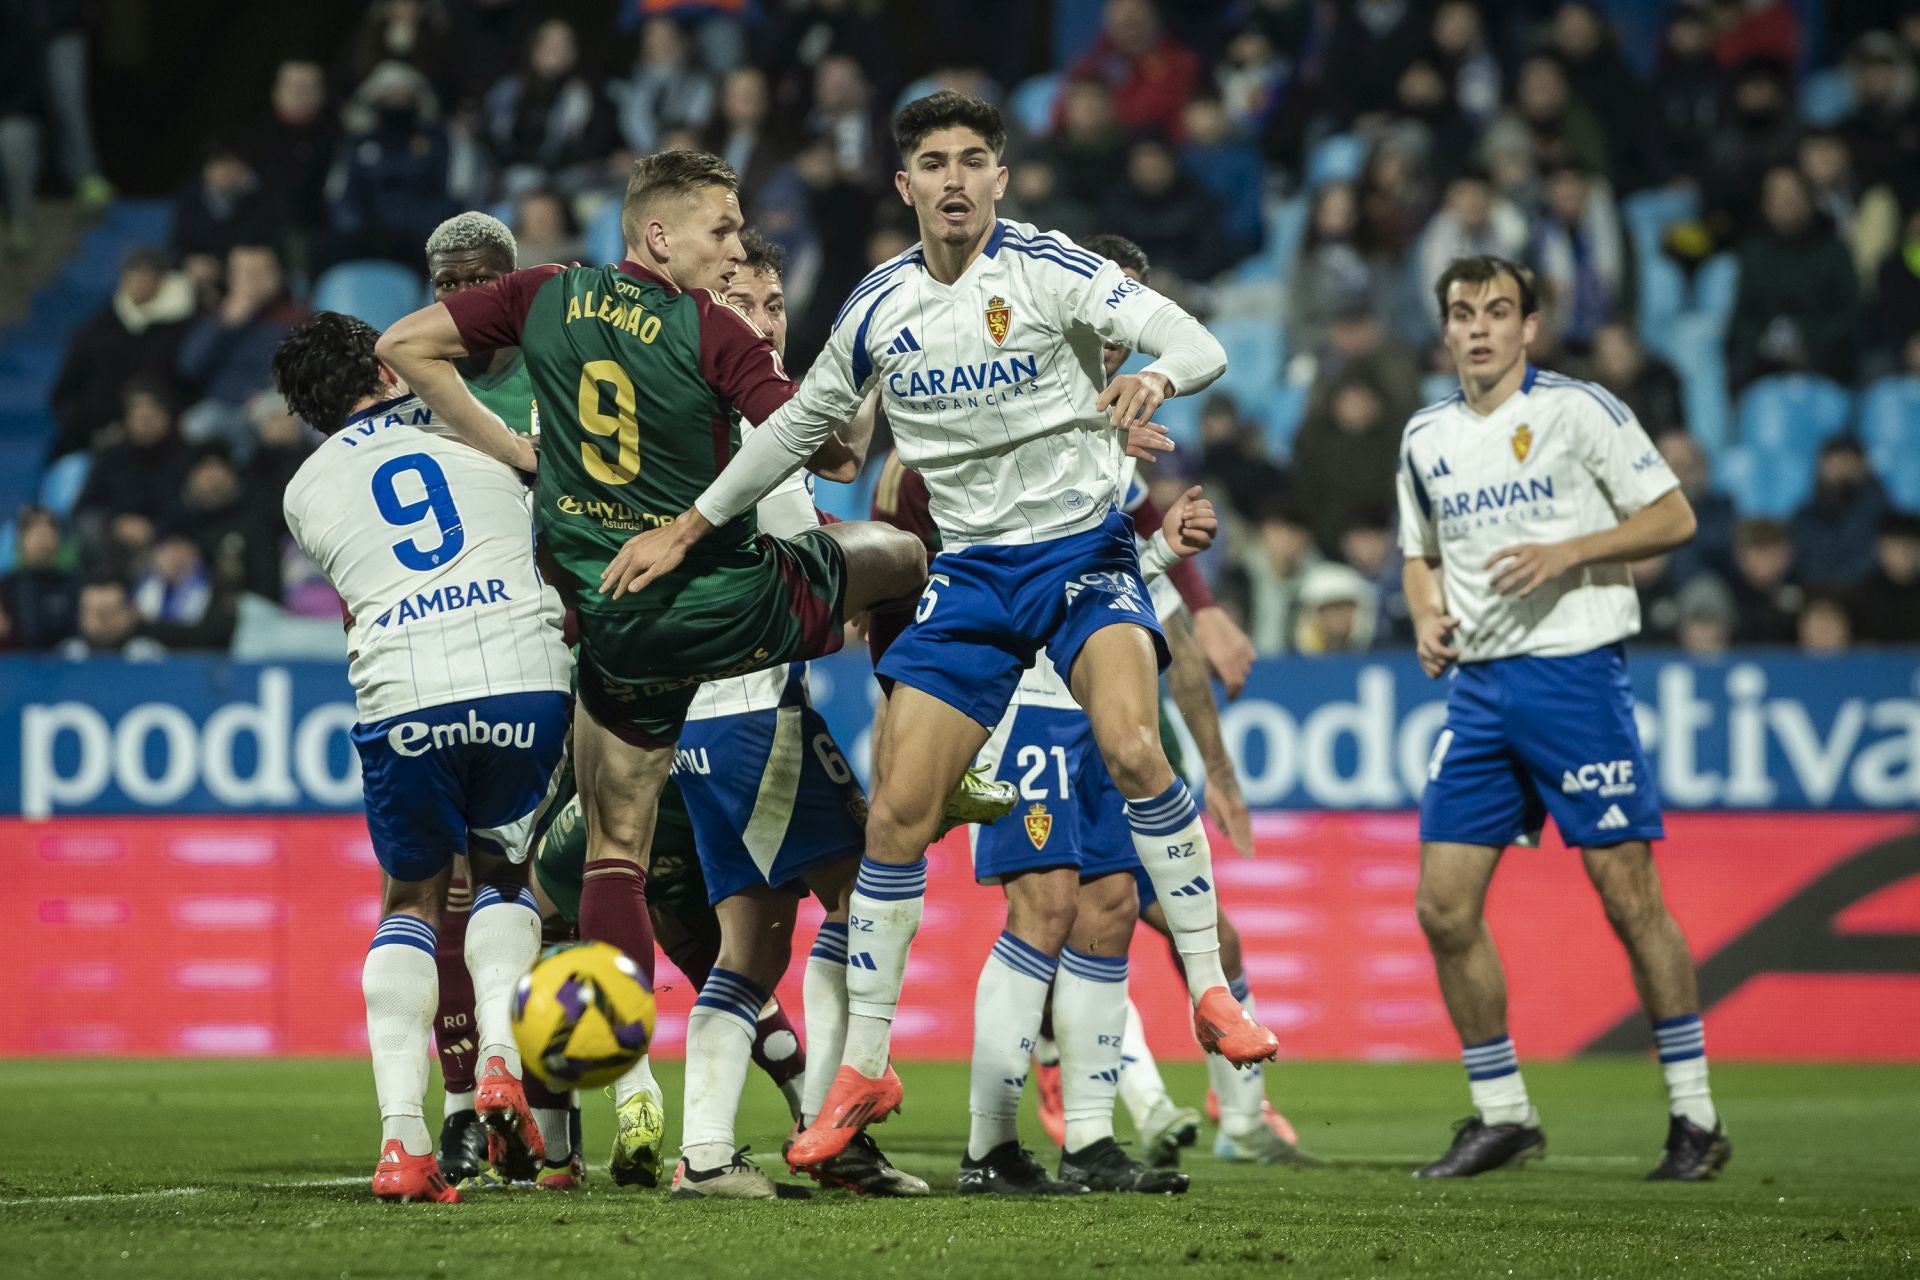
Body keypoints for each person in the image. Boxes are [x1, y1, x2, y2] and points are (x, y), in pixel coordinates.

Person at [595, 92, 1278, 1175]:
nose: (955, 178)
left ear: (1000, 179)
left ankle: (1206, 988)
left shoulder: (1050, 268)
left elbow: (1195, 342)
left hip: (1082, 552)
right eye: (931, 162)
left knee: (1133, 744)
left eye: (973, 159)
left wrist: (1154, 370)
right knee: (896, 821)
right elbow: (792, 431)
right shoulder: (878, 306)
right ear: (904, 185)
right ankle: (864, 1066)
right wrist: (690, 524)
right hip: (971, 577)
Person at [375, 150, 933, 1188]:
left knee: (613, 849)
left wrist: (516, 449)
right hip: (733, 602)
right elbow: (837, 453)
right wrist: (854, 375)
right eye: (721, 231)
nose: (733, 248)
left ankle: (610, 1028)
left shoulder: (544, 295)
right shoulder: (708, 328)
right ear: (658, 235)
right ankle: (920, 756)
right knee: (903, 556)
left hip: (618, 627)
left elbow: (405, 345)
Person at [1395, 255, 1728, 1182]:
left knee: (1629, 898)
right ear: (1447, 329)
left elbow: (1673, 516)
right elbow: (1418, 552)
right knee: (1442, 906)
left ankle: (1696, 1117)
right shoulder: (1426, 436)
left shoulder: (1581, 412)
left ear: (1530, 327)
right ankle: (1503, 1113)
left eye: (1499, 311)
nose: (1479, 328)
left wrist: (1570, 551)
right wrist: (1425, 613)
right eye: (1463, 312)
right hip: (1480, 691)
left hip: (1576, 675)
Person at [274, 311, 574, 1204]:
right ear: (388, 366)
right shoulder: (471, 417)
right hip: (524, 671)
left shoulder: (302, 490)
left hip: (406, 687)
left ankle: (404, 1145)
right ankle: (498, 1064)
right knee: (503, 881)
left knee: (410, 901)